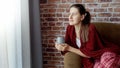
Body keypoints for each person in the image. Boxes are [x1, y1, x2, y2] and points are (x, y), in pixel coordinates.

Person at [55, 4, 120, 68]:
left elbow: (89, 53)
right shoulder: (70, 28)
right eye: (69, 14)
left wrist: (68, 48)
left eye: (74, 14)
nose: (70, 17)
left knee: (106, 61)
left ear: (82, 17)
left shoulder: (90, 28)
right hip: (93, 59)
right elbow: (67, 45)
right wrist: (60, 47)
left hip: (103, 53)